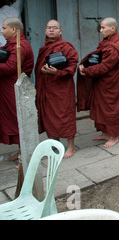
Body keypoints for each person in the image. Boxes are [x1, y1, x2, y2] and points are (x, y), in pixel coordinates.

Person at [77, 17, 119, 148]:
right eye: (100, 28)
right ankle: (105, 133)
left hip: (111, 84)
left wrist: (87, 71)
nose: (101, 31)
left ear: (112, 28)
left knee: (110, 109)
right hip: (102, 82)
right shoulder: (108, 42)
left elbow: (104, 67)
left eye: (103, 28)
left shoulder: (113, 46)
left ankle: (114, 136)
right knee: (100, 107)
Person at [35, 19, 78, 158]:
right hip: (48, 88)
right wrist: (42, 70)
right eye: (48, 27)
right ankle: (55, 144)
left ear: (60, 31)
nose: (51, 30)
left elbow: (72, 68)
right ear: (45, 30)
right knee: (50, 117)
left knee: (66, 115)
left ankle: (71, 146)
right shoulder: (44, 48)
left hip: (62, 89)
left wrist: (57, 73)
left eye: (54, 27)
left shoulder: (66, 47)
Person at [0, 17, 34, 160]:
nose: (2, 32)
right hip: (7, 89)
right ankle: (21, 151)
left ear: (13, 30)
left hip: (15, 89)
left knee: (19, 120)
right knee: (13, 120)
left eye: (4, 28)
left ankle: (26, 155)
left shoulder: (22, 46)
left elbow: (10, 67)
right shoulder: (11, 45)